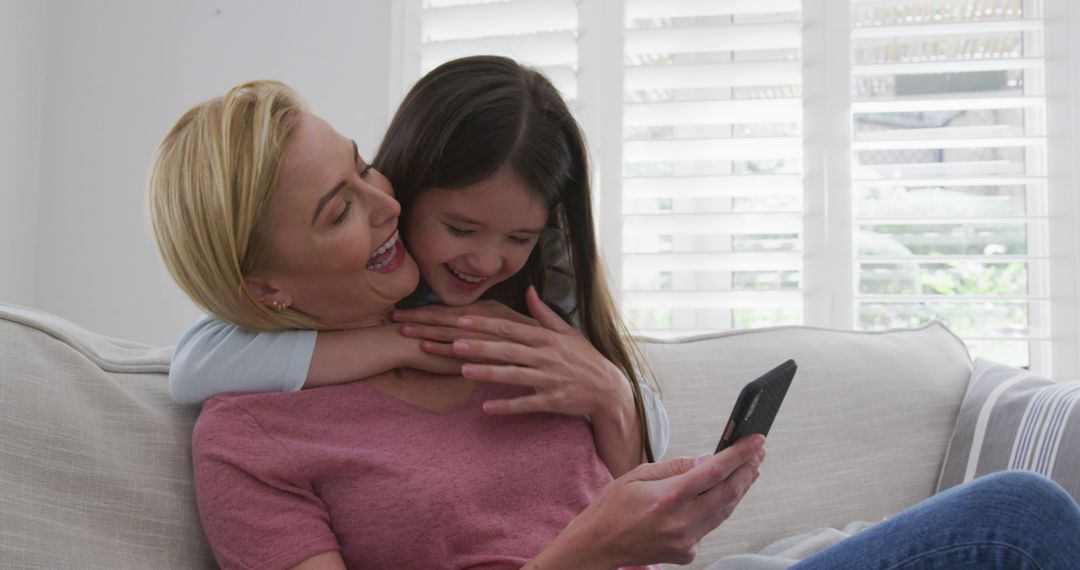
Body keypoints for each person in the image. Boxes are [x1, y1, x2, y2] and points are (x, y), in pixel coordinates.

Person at [150, 79, 1080, 569]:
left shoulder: (507, 328)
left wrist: (614, 414)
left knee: (1020, 513)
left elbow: (632, 502)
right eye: (338, 211)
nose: (383, 203)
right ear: (268, 289)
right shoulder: (248, 436)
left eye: (364, 169)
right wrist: (587, 552)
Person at [166, 56, 668, 476]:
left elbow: (650, 435)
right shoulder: (376, 262)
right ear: (411, 182)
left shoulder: (546, 275)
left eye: (519, 237)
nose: (489, 260)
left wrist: (608, 387)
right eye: (460, 229)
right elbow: (192, 368)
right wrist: (404, 342)